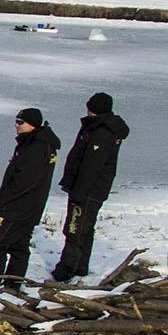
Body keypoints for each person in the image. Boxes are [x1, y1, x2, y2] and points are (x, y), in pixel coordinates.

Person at [50, 92, 130, 283]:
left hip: (88, 190)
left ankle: (67, 270)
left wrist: (79, 192)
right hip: (91, 188)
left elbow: (91, 166)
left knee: (75, 228)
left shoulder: (101, 132)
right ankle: (80, 267)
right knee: (83, 228)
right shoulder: (99, 127)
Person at [0, 107, 61, 292]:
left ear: (32, 124)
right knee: (18, 246)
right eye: (16, 121)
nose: (16, 126)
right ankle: (13, 284)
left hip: (19, 207)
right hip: (29, 207)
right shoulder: (36, 143)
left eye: (20, 122)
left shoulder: (36, 147)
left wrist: (5, 199)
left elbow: (26, 182)